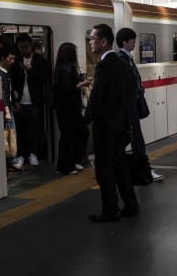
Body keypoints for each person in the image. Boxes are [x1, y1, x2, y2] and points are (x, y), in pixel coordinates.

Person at [85, 24, 139, 222]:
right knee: (119, 165)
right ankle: (131, 205)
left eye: (93, 38)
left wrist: (88, 118)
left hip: (106, 126)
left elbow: (96, 97)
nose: (90, 41)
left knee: (104, 167)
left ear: (103, 41)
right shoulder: (124, 64)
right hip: (122, 125)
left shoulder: (104, 65)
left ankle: (110, 210)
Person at [116, 27, 163, 181]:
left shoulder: (127, 57)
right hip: (129, 107)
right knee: (137, 139)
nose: (135, 43)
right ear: (125, 42)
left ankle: (113, 164)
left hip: (131, 106)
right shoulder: (121, 59)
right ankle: (145, 169)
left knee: (127, 138)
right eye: (133, 40)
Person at [52, 43, 92, 175]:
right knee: (71, 135)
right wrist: (83, 84)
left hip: (67, 108)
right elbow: (68, 89)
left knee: (74, 134)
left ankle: (72, 162)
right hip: (68, 108)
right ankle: (65, 166)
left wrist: (79, 79)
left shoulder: (62, 68)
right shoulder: (66, 69)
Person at [10, 34, 49, 168]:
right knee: (20, 130)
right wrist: (15, 101)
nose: (24, 49)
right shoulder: (16, 61)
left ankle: (33, 154)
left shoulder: (39, 60)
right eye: (21, 47)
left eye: (26, 46)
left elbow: (43, 80)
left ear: (31, 45)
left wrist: (31, 71)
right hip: (20, 100)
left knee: (34, 129)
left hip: (35, 101)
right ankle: (21, 155)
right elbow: (13, 82)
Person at [0, 47, 20, 171]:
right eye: (10, 58)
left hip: (7, 107)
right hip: (5, 110)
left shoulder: (4, 72)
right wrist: (7, 112)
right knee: (10, 134)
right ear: (2, 58)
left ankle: (10, 160)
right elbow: (2, 93)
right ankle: (11, 161)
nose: (12, 61)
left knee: (9, 134)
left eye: (14, 58)